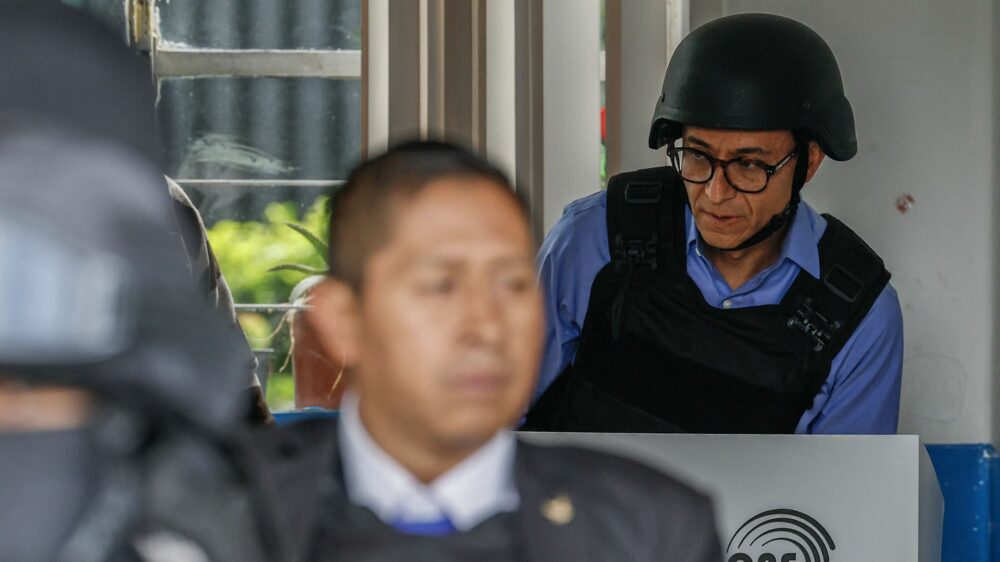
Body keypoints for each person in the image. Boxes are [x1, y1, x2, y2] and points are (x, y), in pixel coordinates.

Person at [252, 140, 722, 561]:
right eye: (440, 285)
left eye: (512, 284)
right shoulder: (222, 519)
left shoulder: (650, 532)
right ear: (343, 320)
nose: (486, 326)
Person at [524, 13, 903, 434]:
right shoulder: (593, 240)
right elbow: (488, 421)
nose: (716, 193)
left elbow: (850, 492)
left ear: (809, 162)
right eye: (699, 155)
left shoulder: (860, 317)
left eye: (749, 165)